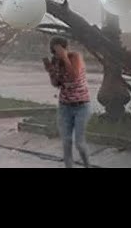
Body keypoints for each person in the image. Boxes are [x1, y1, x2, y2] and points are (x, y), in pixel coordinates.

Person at [42, 36, 91, 168]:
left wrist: (64, 57)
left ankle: (87, 165)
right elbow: (56, 84)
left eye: (58, 50)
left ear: (65, 48)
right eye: (54, 51)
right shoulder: (56, 61)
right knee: (66, 142)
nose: (56, 54)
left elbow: (74, 76)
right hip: (65, 106)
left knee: (79, 143)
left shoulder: (75, 57)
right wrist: (50, 71)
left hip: (82, 105)